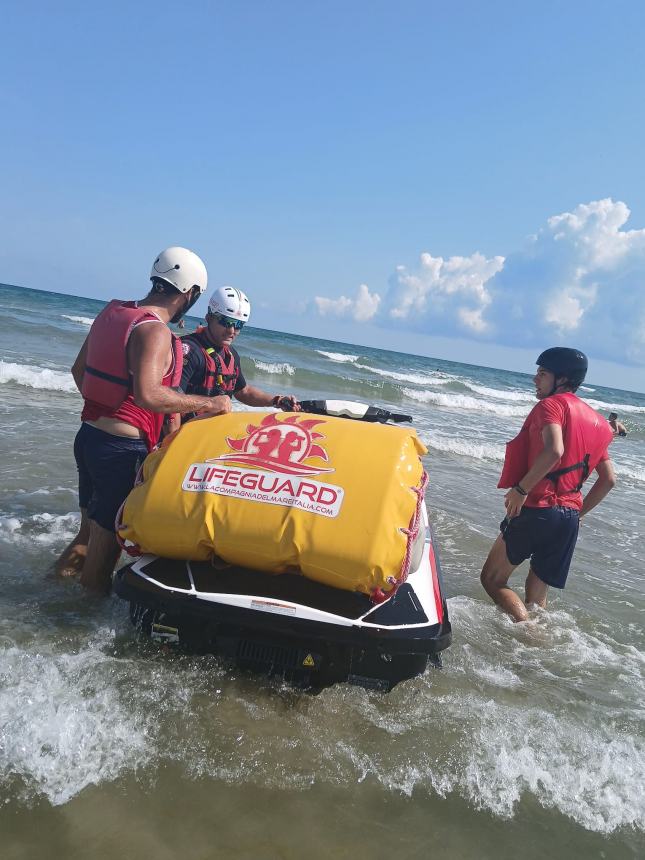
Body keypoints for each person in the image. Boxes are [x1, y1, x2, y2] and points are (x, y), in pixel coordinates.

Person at [55, 247, 233, 595]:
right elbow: (150, 395)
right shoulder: (154, 331)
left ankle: (46, 593)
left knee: (86, 536)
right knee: (102, 564)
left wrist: (107, 411)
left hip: (88, 438)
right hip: (120, 453)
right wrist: (210, 402)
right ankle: (74, 631)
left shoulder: (113, 311)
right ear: (190, 294)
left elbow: (79, 372)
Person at [480, 347, 616, 622]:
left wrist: (520, 490)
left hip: (538, 507)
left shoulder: (550, 405)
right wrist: (577, 513)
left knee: (493, 580)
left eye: (542, 373)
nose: (535, 379)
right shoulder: (600, 423)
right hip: (567, 518)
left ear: (562, 379)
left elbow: (554, 450)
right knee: (537, 594)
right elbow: (609, 480)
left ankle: (527, 634)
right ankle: (537, 644)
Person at [168, 285, 300, 431]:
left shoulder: (231, 354)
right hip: (184, 437)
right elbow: (170, 404)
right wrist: (170, 444)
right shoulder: (189, 351)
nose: (232, 331)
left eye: (238, 325)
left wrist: (277, 400)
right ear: (209, 318)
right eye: (226, 322)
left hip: (211, 436)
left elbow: (244, 392)